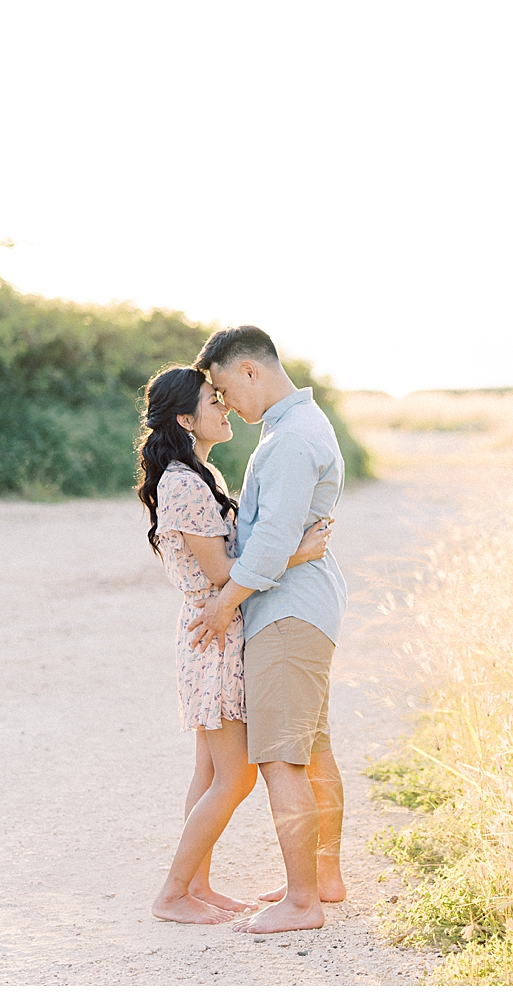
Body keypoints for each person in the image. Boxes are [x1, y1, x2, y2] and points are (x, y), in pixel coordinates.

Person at [136, 364, 332, 925]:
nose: (224, 409)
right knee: (237, 774)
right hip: (213, 632)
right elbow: (221, 570)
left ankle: (196, 885)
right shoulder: (182, 482)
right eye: (213, 401)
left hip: (219, 629)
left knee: (208, 772)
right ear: (185, 418)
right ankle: (172, 894)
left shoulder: (202, 474)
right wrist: (297, 551)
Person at [186, 326, 349, 935]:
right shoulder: (301, 426)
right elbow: (286, 539)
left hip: (285, 614)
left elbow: (273, 540)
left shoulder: (287, 441)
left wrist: (226, 602)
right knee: (313, 747)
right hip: (305, 606)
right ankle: (323, 878)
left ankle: (303, 903)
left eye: (226, 388)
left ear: (250, 370)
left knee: (282, 758)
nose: (226, 404)